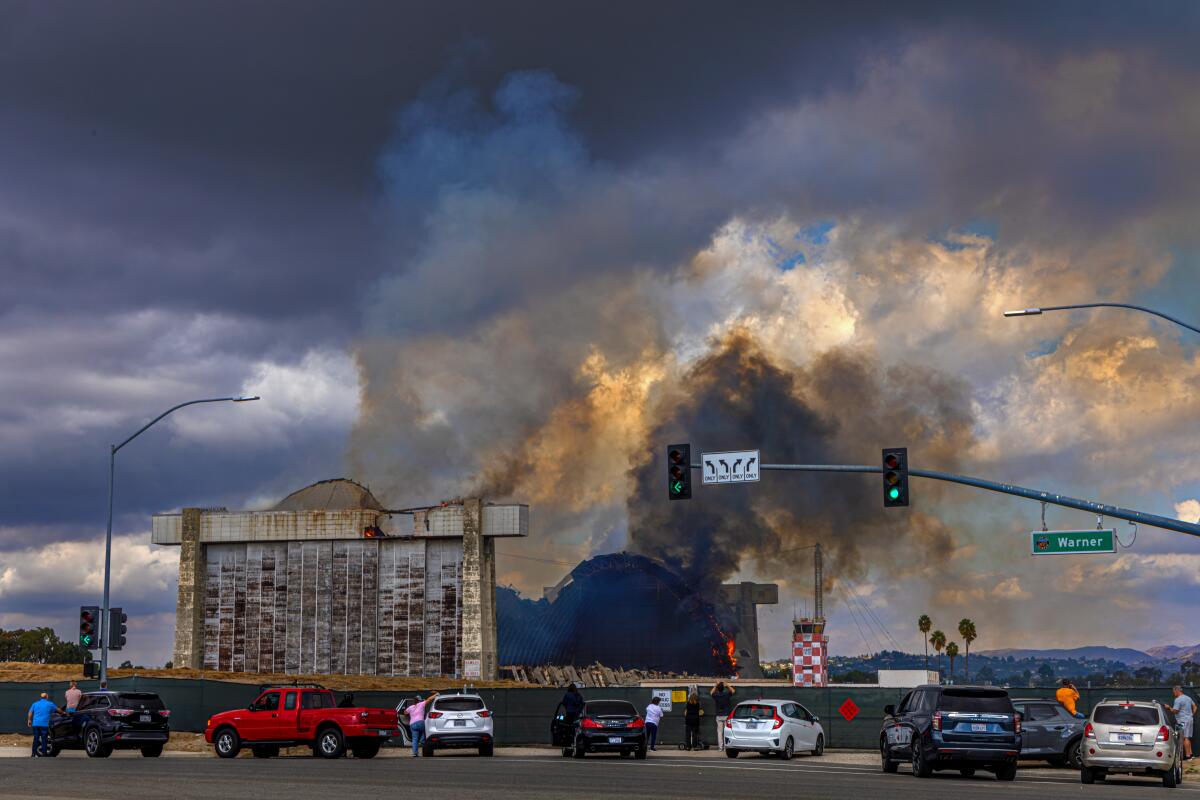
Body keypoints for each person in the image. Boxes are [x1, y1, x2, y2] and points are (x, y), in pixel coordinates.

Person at [405, 691, 438, 756]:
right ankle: (422, 740)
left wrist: (410, 713)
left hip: (412, 724)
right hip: (420, 722)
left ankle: (415, 753)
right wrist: (435, 695)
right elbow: (429, 699)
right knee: (426, 730)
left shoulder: (410, 707)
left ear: (414, 701)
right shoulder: (422, 704)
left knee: (414, 739)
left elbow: (405, 712)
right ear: (420, 700)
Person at [27, 692, 57, 757]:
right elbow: (57, 710)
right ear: (47, 697)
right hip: (44, 724)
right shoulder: (50, 704)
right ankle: (44, 753)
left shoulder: (35, 704)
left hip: (36, 724)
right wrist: (63, 712)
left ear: (40, 697)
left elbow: (30, 712)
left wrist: (29, 720)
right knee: (44, 739)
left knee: (36, 738)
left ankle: (33, 754)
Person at [1172, 686, 1196, 761]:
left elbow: (1175, 711)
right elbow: (1195, 706)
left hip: (1182, 721)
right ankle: (1191, 754)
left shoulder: (1178, 700)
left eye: (1173, 692)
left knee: (1185, 737)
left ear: (1177, 691)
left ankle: (1188, 756)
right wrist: (1192, 714)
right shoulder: (1188, 698)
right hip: (1189, 719)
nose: (1173, 693)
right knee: (1186, 737)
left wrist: (1169, 708)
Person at [710, 681, 735, 750]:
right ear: (723, 688)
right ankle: (725, 747)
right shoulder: (726, 694)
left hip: (719, 715)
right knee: (726, 732)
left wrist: (716, 685)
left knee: (719, 732)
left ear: (718, 689)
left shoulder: (716, 695)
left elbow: (711, 693)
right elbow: (733, 691)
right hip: (726, 715)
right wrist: (727, 685)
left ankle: (720, 747)